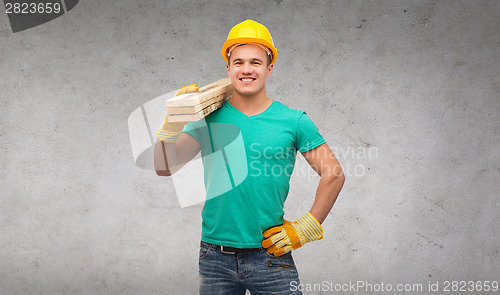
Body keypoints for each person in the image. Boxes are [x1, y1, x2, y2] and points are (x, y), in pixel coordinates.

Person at [154, 19, 345, 295]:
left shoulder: (293, 121)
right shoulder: (207, 117)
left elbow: (334, 173)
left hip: (270, 256)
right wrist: (170, 128)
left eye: (255, 62)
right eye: (239, 62)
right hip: (214, 258)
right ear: (228, 68)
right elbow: (165, 168)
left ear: (269, 68)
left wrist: (306, 227)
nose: (246, 69)